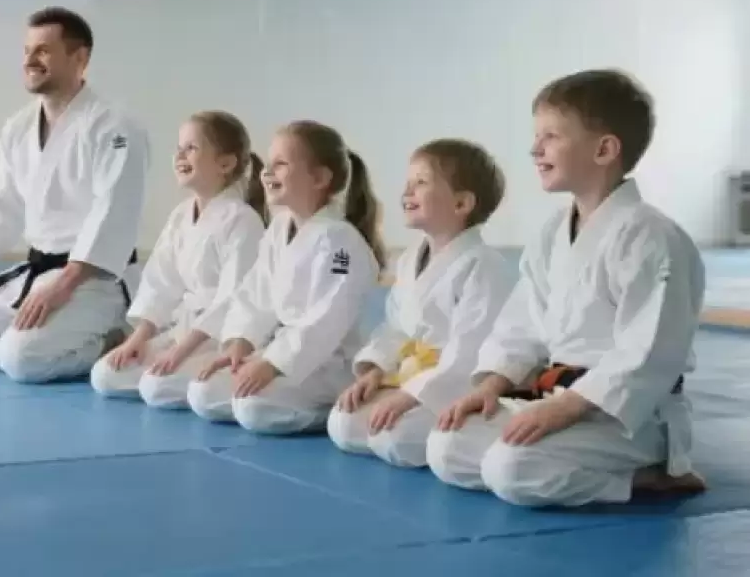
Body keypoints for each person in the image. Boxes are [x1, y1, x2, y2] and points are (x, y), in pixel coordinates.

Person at [426, 69, 707, 507]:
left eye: (551, 136)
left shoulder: (653, 237)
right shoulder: (552, 233)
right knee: (447, 447)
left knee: (510, 468)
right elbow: (522, 325)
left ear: (604, 149)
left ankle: (648, 475)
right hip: (556, 396)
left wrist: (569, 406)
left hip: (627, 416)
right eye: (536, 136)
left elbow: (650, 351)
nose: (535, 149)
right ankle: (564, 461)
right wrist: (490, 386)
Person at [0, 7, 150, 384]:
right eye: (27, 51)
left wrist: (64, 285)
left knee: (21, 360)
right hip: (37, 273)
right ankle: (39, 336)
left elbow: (113, 212)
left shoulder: (114, 126)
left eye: (43, 50)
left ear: (80, 58)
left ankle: (113, 336)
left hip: (93, 280)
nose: (29, 60)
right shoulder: (19, 126)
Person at [187, 120, 385, 434]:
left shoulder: (341, 240)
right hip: (282, 351)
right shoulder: (279, 228)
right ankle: (283, 394)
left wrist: (274, 364)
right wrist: (239, 345)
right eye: (269, 164)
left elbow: (328, 319)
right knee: (203, 391)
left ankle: (327, 410)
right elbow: (255, 294)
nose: (266, 173)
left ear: (319, 178)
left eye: (280, 164)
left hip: (328, 362)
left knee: (252, 407)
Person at [327, 139, 513, 468]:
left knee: (394, 437)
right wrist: (375, 372)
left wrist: (410, 395)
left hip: (452, 384)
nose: (406, 192)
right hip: (411, 376)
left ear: (461, 203)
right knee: (343, 423)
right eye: (408, 182)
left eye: (421, 182)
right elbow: (395, 328)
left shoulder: (484, 265)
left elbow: (469, 351)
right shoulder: (410, 259)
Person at [90, 111, 267, 407]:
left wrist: (180, 351)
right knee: (105, 374)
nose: (180, 155)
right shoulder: (181, 215)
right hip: (183, 329)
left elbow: (231, 301)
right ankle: (177, 373)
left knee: (157, 387)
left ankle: (211, 381)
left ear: (225, 163)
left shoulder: (243, 220)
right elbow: (160, 284)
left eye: (191, 148)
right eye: (179, 147)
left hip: (220, 337)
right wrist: (138, 339)